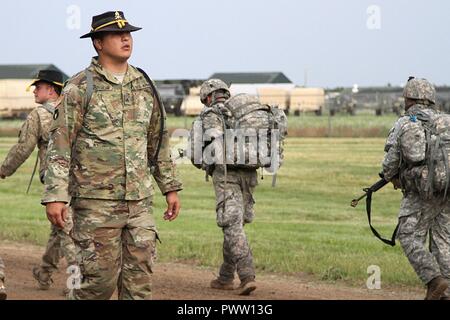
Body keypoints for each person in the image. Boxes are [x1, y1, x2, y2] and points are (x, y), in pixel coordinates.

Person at [41, 11, 182, 300]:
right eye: (117, 34)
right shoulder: (81, 87)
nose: (126, 38)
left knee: (139, 286)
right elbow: (60, 144)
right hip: (96, 205)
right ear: (98, 43)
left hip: (139, 203)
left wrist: (169, 187)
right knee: (96, 286)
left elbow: (157, 141)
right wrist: (56, 194)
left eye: (128, 33)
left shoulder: (144, 84)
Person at [0, 70, 77, 292]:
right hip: (82, 179)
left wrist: (4, 170)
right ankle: (44, 272)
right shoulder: (73, 111)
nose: (34, 91)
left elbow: (23, 148)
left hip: (57, 181)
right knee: (60, 226)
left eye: (38, 87)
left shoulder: (39, 115)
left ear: (51, 90)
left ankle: (78, 283)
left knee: (66, 228)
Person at [382, 77, 450, 300]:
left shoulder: (405, 122)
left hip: (422, 192)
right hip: (448, 191)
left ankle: (433, 281)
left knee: (408, 233)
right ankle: (445, 294)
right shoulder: (446, 121)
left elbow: (390, 163)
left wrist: (390, 177)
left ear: (409, 99)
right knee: (444, 243)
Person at [191, 79, 257, 295]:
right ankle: (225, 277)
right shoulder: (243, 113)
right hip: (250, 173)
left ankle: (247, 276)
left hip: (226, 174)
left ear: (208, 97)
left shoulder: (210, 114)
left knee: (231, 225)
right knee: (236, 225)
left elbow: (197, 153)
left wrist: (206, 162)